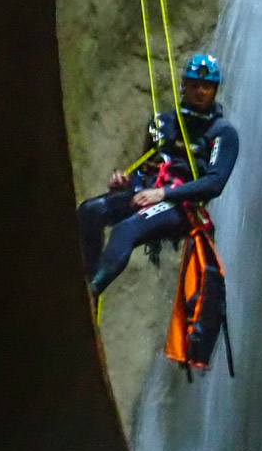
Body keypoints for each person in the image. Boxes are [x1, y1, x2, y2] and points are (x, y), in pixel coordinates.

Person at [78, 53, 241, 298]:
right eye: (194, 84)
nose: (200, 91)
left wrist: (164, 193)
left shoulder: (222, 133)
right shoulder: (163, 123)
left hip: (182, 206)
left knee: (125, 230)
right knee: (90, 211)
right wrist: (126, 182)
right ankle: (87, 277)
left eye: (206, 86)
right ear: (183, 85)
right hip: (149, 193)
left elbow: (214, 183)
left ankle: (91, 292)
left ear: (215, 90)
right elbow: (149, 168)